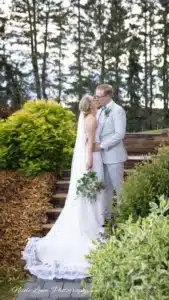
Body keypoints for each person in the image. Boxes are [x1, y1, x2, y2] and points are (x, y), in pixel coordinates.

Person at [21, 95, 105, 280]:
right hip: (91, 159)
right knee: (90, 193)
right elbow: (89, 143)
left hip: (88, 158)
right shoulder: (91, 119)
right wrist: (90, 160)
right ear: (89, 105)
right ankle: (89, 226)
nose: (96, 101)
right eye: (93, 100)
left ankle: (93, 223)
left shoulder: (87, 117)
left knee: (89, 194)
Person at [93, 84, 127, 220]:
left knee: (119, 189)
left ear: (107, 96)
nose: (97, 99)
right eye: (95, 96)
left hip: (114, 156)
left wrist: (101, 145)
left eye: (99, 96)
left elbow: (120, 134)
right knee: (105, 188)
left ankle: (124, 217)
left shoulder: (118, 110)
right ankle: (106, 218)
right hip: (102, 157)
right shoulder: (100, 110)